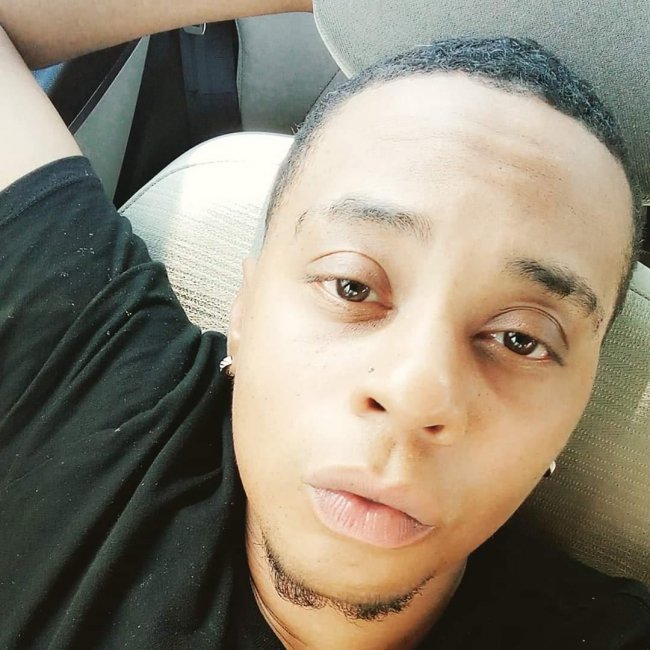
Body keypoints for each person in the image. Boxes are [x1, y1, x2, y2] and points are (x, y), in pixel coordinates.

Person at [0, 1, 648, 648]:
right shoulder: (88, 384)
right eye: (352, 286)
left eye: (520, 339)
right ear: (245, 308)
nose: (414, 395)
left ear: (575, 410)